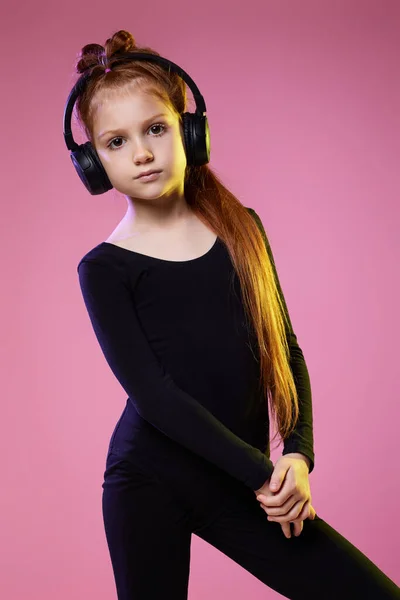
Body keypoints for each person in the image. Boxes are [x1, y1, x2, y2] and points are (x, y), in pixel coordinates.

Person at [73, 29, 400, 600]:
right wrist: (263, 473)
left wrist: (297, 455)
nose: (142, 153)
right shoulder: (104, 268)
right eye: (116, 142)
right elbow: (157, 396)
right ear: (94, 164)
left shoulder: (241, 227)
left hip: (243, 479)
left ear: (190, 131)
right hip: (151, 481)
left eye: (155, 129)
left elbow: (285, 346)